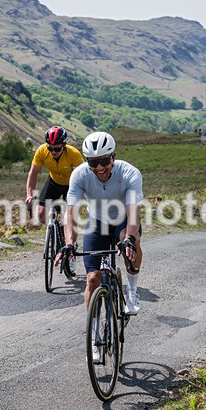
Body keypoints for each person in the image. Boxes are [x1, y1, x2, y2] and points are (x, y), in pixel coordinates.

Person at [55, 131, 144, 326]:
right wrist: (70, 243)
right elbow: (71, 214)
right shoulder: (80, 175)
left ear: (114, 157)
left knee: (130, 242)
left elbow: (133, 212)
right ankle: (94, 332)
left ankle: (132, 291)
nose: (100, 167)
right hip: (97, 221)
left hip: (123, 218)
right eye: (93, 162)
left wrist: (129, 238)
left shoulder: (129, 173)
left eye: (104, 160)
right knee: (93, 279)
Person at [25, 126, 83, 225]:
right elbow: (33, 174)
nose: (53, 152)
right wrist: (29, 195)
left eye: (57, 148)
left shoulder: (74, 154)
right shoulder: (41, 151)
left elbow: (82, 178)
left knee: (69, 218)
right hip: (53, 182)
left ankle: (67, 236)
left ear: (64, 145)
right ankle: (54, 230)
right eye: (50, 148)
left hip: (71, 185)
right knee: (41, 214)